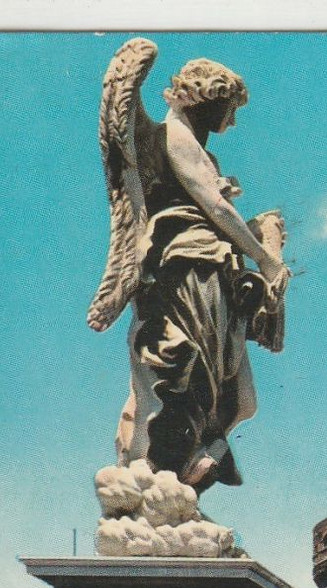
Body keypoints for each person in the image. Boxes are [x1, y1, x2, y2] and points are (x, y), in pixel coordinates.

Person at [92, 42, 291, 492]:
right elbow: (215, 207)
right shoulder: (173, 137)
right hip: (183, 273)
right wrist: (264, 258)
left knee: (232, 392)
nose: (232, 122)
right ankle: (172, 472)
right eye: (229, 109)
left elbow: (219, 215)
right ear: (208, 101)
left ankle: (192, 466)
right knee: (188, 374)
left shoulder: (203, 152)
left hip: (211, 273)